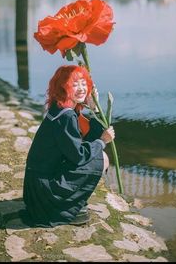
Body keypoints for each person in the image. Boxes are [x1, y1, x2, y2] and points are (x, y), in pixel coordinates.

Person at [20, 64, 115, 227]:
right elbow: (79, 156)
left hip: (36, 187)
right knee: (102, 158)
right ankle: (67, 206)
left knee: (97, 154)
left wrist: (94, 110)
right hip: (45, 194)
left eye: (84, 84)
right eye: (75, 84)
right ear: (63, 87)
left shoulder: (60, 108)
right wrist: (103, 141)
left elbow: (83, 145)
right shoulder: (66, 116)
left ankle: (72, 201)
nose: (81, 89)